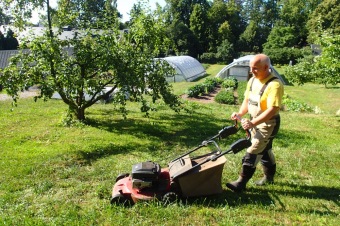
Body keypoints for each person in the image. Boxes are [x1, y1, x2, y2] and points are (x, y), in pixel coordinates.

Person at [226, 54, 284, 192]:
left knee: (253, 149)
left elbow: (272, 110)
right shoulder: (252, 80)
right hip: (254, 121)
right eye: (251, 68)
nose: (252, 71)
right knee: (264, 150)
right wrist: (240, 114)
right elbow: (247, 101)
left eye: (255, 68)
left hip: (268, 124)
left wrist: (253, 123)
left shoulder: (274, 85)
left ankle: (240, 182)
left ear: (266, 67)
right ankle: (269, 177)